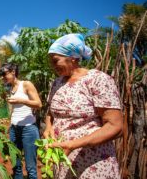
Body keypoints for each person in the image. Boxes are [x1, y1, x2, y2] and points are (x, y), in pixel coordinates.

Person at [43, 33, 123, 178]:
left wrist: (74, 144)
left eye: (55, 60)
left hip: (93, 161)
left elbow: (115, 126)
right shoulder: (57, 83)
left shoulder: (97, 80)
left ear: (72, 58)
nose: (52, 65)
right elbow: (50, 112)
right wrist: (48, 128)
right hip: (64, 159)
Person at [0, 63, 42, 179]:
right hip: (14, 129)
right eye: (0, 75)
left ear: (13, 72)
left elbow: (38, 104)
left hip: (28, 129)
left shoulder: (26, 84)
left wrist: (21, 100)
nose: (2, 78)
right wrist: (10, 124)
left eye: (4, 74)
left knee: (31, 166)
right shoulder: (9, 88)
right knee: (15, 164)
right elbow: (14, 109)